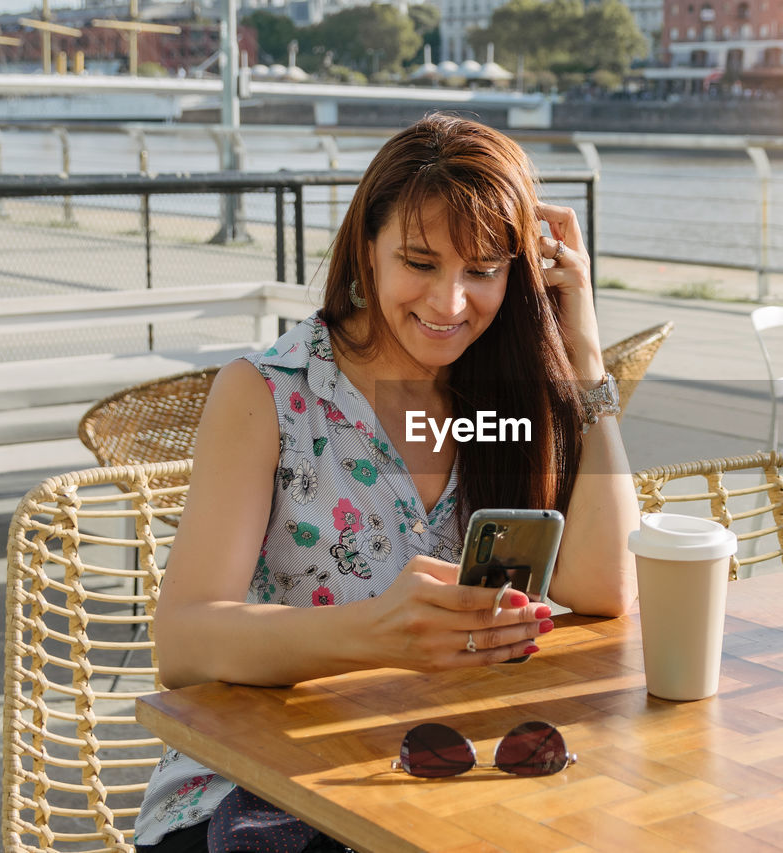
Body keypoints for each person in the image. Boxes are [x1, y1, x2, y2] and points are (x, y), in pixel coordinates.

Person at [132, 113, 639, 852]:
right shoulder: (267, 392)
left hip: (444, 779)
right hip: (256, 792)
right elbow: (182, 640)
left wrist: (585, 356)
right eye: (421, 262)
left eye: (482, 270)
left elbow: (605, 584)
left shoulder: (504, 397)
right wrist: (379, 634)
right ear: (366, 249)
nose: (450, 304)